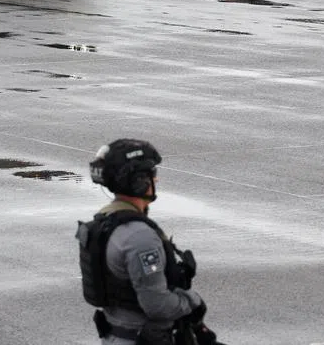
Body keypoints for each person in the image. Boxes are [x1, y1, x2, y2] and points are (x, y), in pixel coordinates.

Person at [77, 139, 223, 345]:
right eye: (152, 174)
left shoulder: (105, 223)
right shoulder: (139, 238)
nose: (157, 179)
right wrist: (192, 301)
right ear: (140, 182)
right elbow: (157, 305)